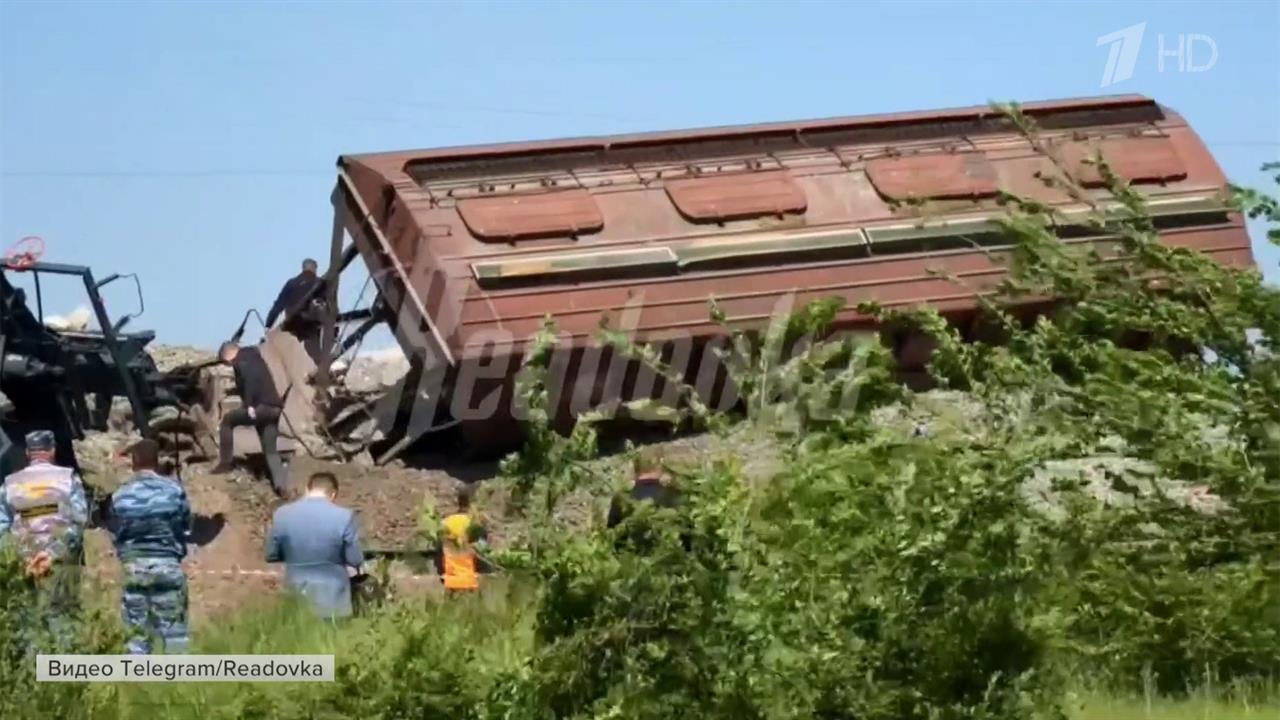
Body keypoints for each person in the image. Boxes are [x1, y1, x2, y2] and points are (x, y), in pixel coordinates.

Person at [0, 430, 89, 639]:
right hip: (61, 561)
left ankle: (32, 669)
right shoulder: (68, 479)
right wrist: (52, 553)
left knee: (27, 621)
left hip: (24, 561)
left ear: (28, 453)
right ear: (52, 450)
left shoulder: (10, 484)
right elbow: (79, 521)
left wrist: (21, 557)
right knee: (64, 619)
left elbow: (2, 528)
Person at [108, 439, 191, 654]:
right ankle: (179, 685)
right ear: (156, 461)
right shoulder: (174, 491)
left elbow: (115, 533)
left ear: (134, 462)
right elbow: (186, 528)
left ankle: (139, 682)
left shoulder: (120, 496)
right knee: (175, 636)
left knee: (136, 636)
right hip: (167, 566)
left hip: (134, 568)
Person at [265, 472, 364, 618]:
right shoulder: (345, 516)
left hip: (296, 595)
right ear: (333, 494)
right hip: (334, 600)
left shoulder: (282, 514)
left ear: (307, 489)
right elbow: (355, 559)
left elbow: (271, 554)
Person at [211, 340, 290, 495]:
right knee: (270, 450)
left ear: (228, 355)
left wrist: (249, 405)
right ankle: (282, 486)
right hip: (274, 408)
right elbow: (256, 379)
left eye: (226, 363)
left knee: (227, 421)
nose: (228, 366)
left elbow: (250, 379)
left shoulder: (241, 361)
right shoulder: (254, 357)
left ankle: (225, 463)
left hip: (260, 408)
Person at [265, 258, 326, 364]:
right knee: (313, 352)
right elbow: (327, 303)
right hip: (311, 322)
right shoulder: (320, 283)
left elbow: (278, 305)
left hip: (293, 321)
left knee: (289, 350)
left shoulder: (291, 283)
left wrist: (268, 324)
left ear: (302, 268)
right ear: (315, 269)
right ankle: (317, 370)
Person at [606, 449, 679, 529]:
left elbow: (612, 532)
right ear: (661, 463)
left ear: (634, 467)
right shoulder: (672, 495)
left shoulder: (622, 498)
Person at [434, 484, 486, 594]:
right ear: (471, 503)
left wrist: (442, 576)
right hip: (470, 581)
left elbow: (439, 554)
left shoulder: (446, 523)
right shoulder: (475, 525)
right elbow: (483, 554)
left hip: (451, 582)